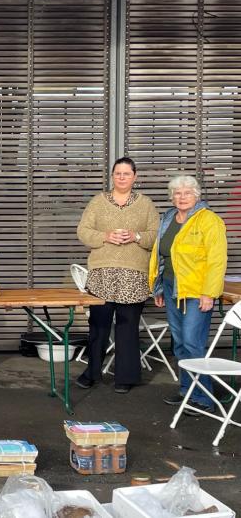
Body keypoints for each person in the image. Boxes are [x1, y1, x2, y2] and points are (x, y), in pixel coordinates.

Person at [75, 157, 159, 394]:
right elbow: (83, 231)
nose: (122, 177)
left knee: (127, 327)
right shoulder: (98, 201)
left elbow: (155, 234)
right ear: (112, 176)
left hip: (133, 275)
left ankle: (126, 377)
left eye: (126, 173)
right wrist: (105, 236)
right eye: (118, 173)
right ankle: (92, 373)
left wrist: (136, 236)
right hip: (102, 273)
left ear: (135, 177)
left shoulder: (146, 204)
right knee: (98, 326)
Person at [149, 175, 227, 415]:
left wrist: (209, 293)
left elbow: (217, 260)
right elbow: (162, 255)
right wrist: (158, 287)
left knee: (193, 342)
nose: (182, 197)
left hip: (196, 291)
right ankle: (187, 391)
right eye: (177, 193)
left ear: (197, 195)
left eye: (187, 193)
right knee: (180, 343)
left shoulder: (209, 220)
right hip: (171, 287)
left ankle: (203, 398)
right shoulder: (169, 218)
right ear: (172, 196)